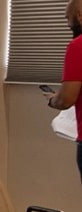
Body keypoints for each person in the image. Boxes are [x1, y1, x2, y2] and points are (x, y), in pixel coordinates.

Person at [45, 0, 82, 181]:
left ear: (79, 16)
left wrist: (53, 100)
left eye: (68, 18)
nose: (68, 24)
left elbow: (66, 100)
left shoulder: (77, 46)